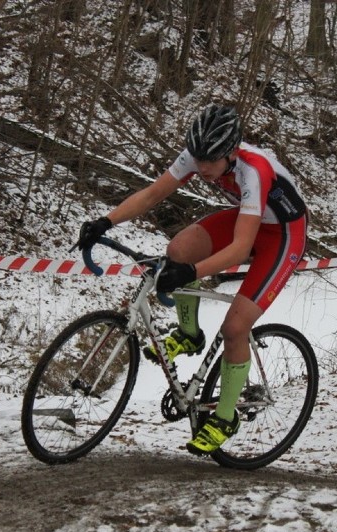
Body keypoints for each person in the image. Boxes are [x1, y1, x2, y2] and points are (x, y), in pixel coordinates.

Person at [75, 104, 308, 455]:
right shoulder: (200, 154)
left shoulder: (254, 171)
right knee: (179, 248)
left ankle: (226, 417)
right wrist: (106, 221)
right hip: (251, 219)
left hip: (284, 236)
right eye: (197, 160)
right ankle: (189, 334)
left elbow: (241, 246)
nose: (201, 169)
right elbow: (153, 194)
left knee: (235, 327)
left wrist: (192, 273)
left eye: (209, 163)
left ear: (230, 153)